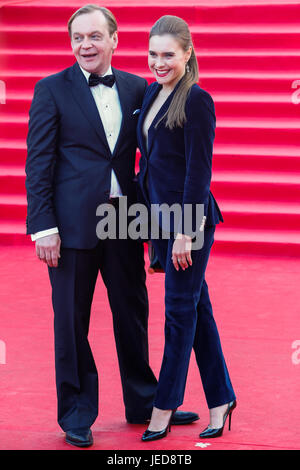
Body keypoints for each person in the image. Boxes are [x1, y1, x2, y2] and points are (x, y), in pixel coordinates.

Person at [25, 5, 198, 448]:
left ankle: (143, 401)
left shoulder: (140, 87)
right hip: (70, 225)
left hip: (124, 219)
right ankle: (77, 412)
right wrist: (43, 225)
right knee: (71, 322)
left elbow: (166, 151)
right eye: (78, 37)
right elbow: (39, 162)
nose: (86, 45)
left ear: (115, 40)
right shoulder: (51, 90)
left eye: (95, 36)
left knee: (132, 314)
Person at [137, 15, 236, 442]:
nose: (159, 63)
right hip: (158, 220)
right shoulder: (151, 92)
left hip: (187, 225)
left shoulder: (196, 100)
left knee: (178, 313)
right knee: (197, 311)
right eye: (153, 54)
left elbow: (199, 172)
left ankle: (163, 407)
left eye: (168, 55)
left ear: (187, 53)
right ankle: (221, 399)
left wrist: (184, 233)